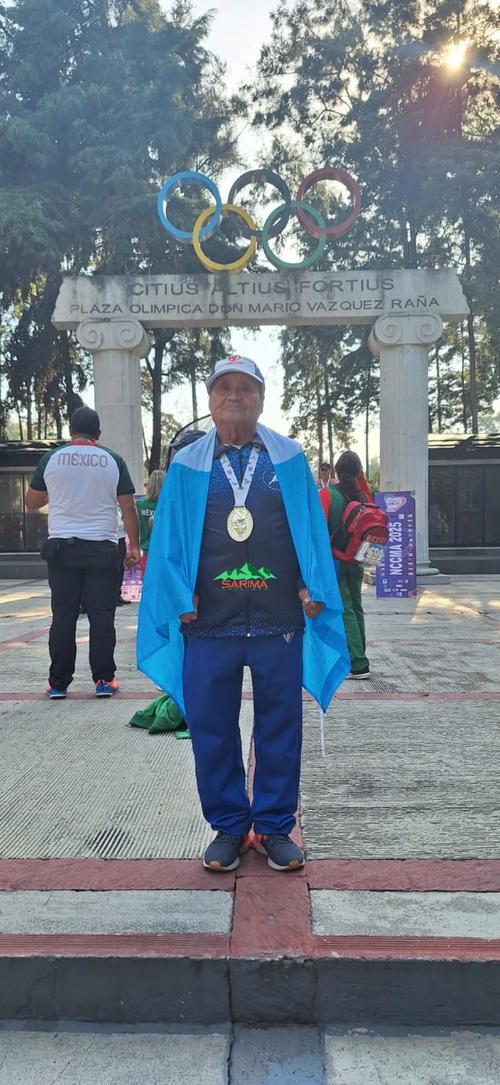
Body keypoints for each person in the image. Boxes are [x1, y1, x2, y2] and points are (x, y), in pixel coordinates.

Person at [137, 355, 349, 873]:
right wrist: (176, 599)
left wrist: (312, 584)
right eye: (224, 387)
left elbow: (310, 533)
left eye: (245, 387)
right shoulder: (188, 465)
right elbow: (165, 542)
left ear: (261, 398)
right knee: (211, 727)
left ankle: (276, 827)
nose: (235, 395)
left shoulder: (289, 458)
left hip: (279, 620)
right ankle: (229, 826)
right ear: (209, 400)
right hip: (207, 622)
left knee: (281, 726)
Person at [25, 406, 140, 699]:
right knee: (102, 616)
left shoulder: (52, 459)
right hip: (103, 548)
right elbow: (128, 506)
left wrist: (59, 488)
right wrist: (134, 546)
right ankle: (104, 680)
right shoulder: (112, 459)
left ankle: (59, 683)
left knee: (63, 616)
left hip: (62, 550)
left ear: (70, 431)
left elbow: (32, 501)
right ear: (98, 434)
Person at [327, 450, 371, 680]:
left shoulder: (328, 495)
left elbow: (319, 529)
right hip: (357, 560)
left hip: (337, 561)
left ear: (336, 470)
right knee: (357, 607)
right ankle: (360, 656)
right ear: (358, 471)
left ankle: (357, 663)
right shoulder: (363, 496)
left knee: (346, 611)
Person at [136, 470, 165, 576]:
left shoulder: (139, 505)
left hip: (147, 552)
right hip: (165, 554)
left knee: (148, 588)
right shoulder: (169, 506)